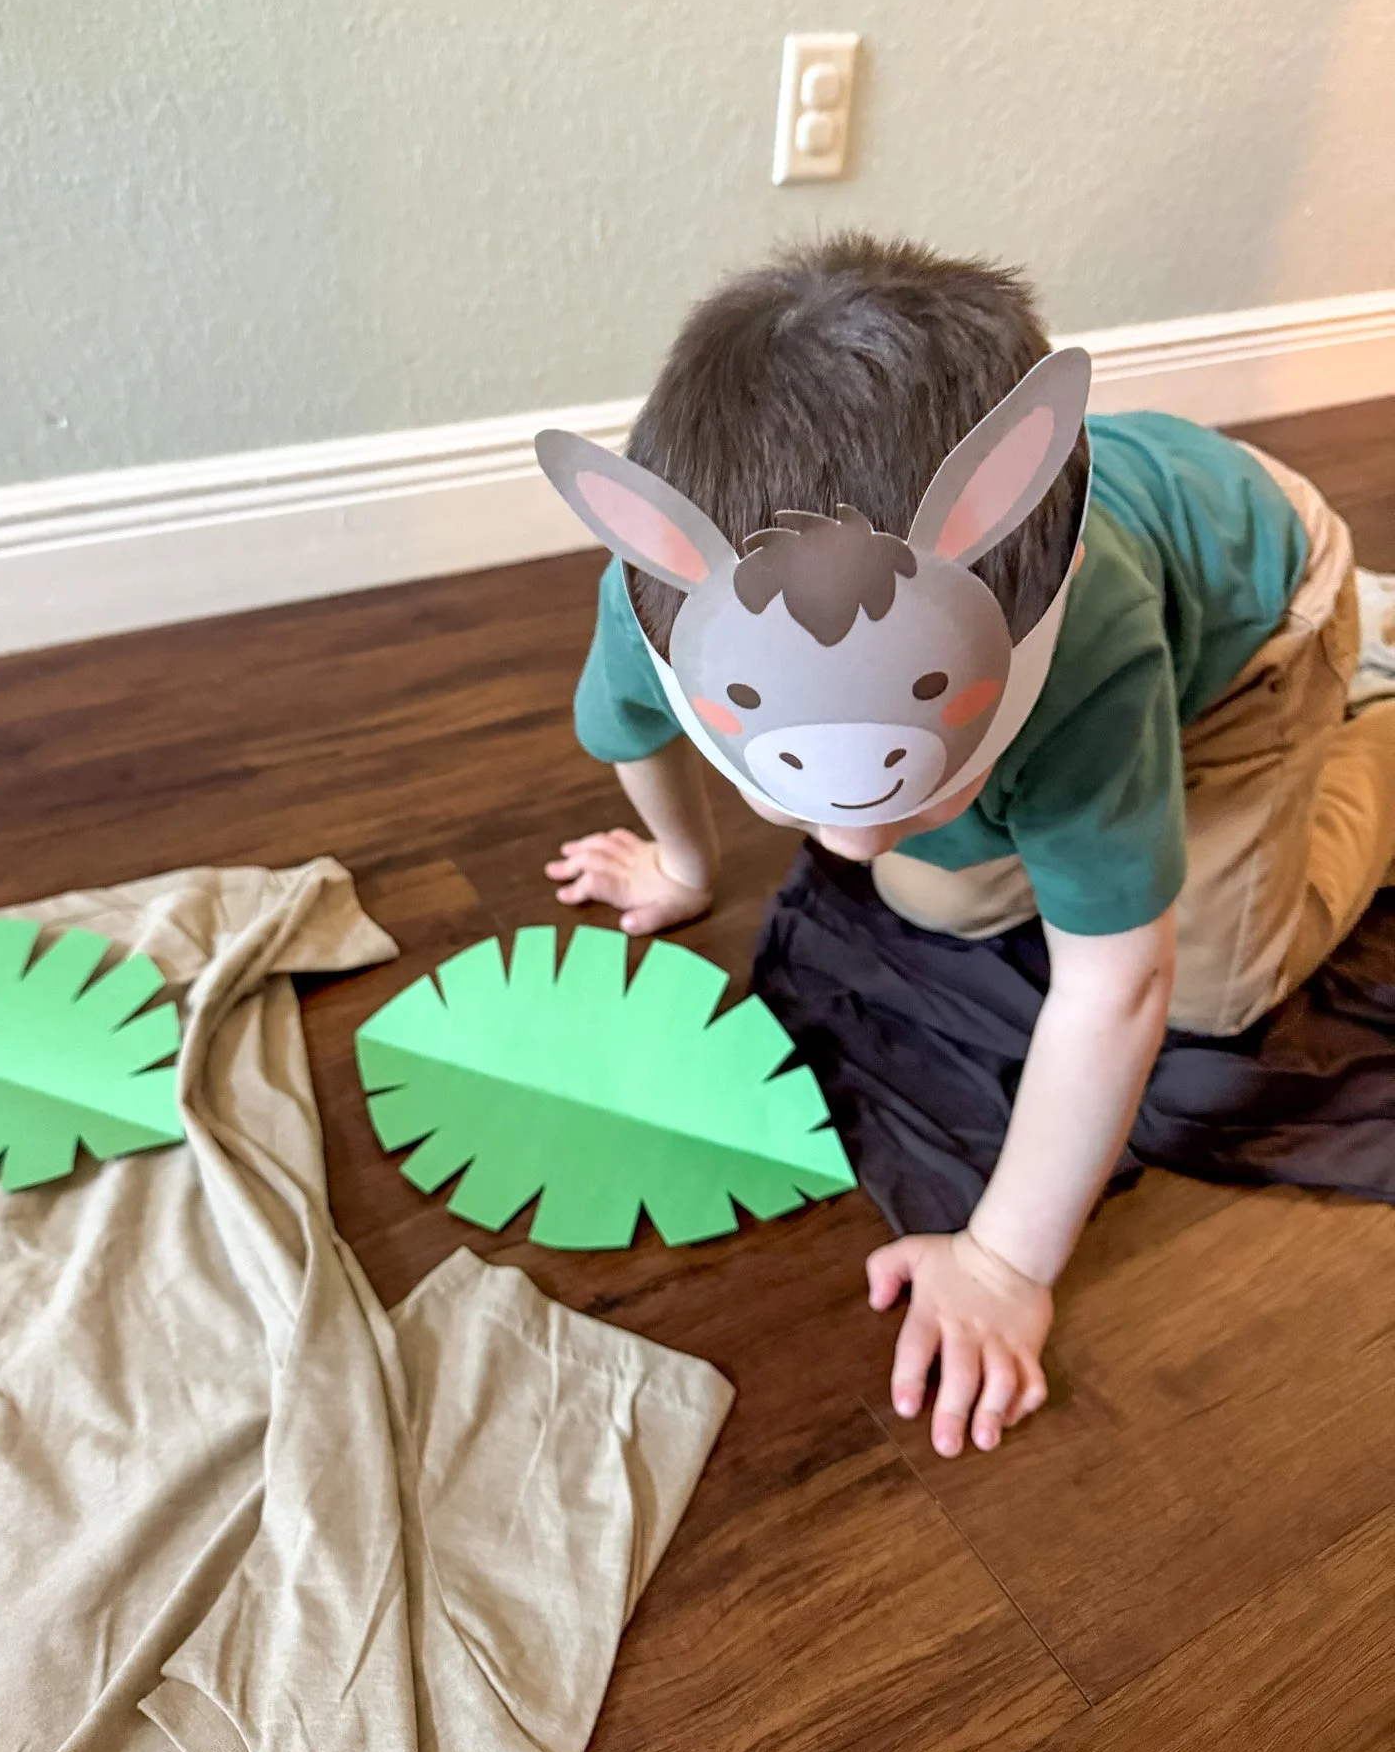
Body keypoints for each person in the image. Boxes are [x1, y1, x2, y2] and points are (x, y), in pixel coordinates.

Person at [543, 232, 1395, 1461]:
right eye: (796, 797)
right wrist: (680, 867)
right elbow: (636, 742)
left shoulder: (1091, 651)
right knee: (928, 892)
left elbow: (1123, 986)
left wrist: (1003, 1259)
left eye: (932, 768)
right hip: (1135, 586)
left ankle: (1368, 693)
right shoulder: (657, 605)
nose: (847, 836)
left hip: (1261, 623)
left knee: (1215, 989)